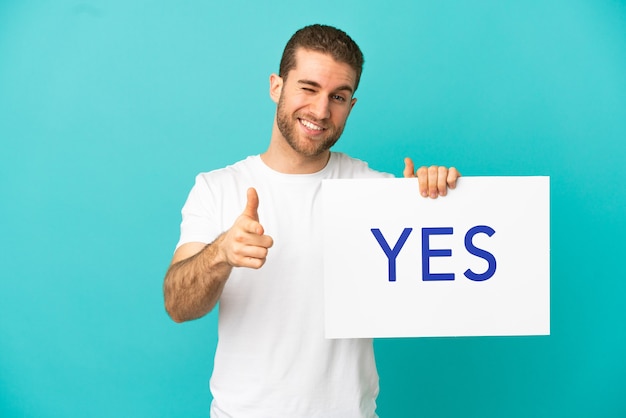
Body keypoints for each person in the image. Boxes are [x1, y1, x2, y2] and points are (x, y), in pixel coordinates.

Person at [163, 24, 460, 418]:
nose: (321, 111)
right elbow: (177, 305)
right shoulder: (216, 188)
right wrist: (222, 253)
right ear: (276, 86)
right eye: (308, 88)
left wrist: (431, 200)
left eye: (338, 96)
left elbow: (437, 280)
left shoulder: (374, 192)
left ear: (351, 106)